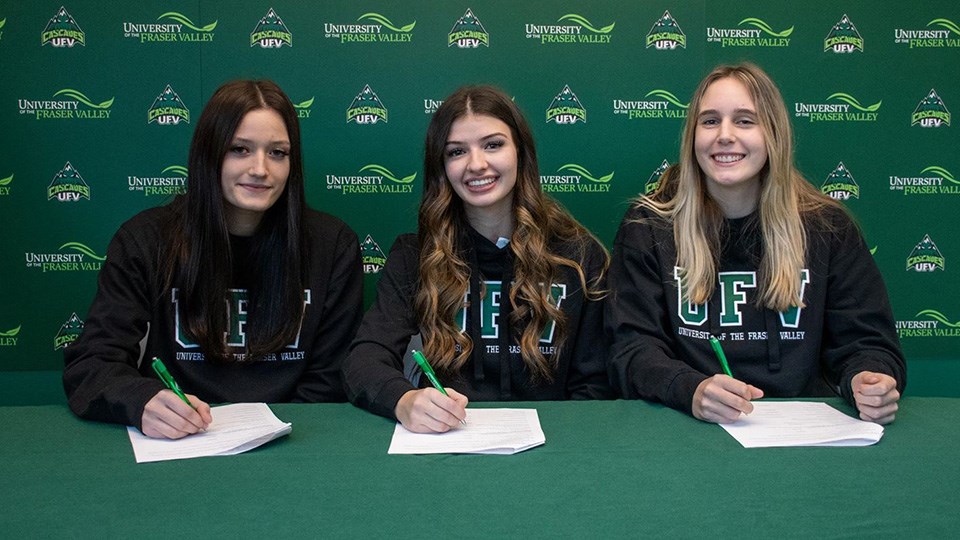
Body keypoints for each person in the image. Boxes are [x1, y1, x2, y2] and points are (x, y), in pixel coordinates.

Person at [606, 63, 905, 424]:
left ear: (773, 134)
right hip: (688, 428)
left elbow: (868, 343)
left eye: (745, 121)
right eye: (710, 121)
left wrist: (869, 379)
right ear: (692, 138)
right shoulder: (649, 226)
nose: (725, 135)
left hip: (805, 433)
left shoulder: (828, 227)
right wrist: (691, 390)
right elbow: (631, 349)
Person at [63, 80, 363, 438]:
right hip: (180, 441)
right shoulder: (145, 240)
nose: (260, 169)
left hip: (291, 443)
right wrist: (142, 400)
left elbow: (329, 380)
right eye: (239, 149)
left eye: (278, 153)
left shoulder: (332, 245)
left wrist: (278, 435)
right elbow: (92, 362)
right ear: (209, 153)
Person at [342, 85, 610, 433]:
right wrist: (403, 399)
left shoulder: (577, 256)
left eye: (493, 145)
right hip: (446, 441)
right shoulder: (415, 255)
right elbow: (363, 360)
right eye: (456, 152)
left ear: (520, 153)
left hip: (551, 450)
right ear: (441, 166)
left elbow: (595, 385)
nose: (476, 164)